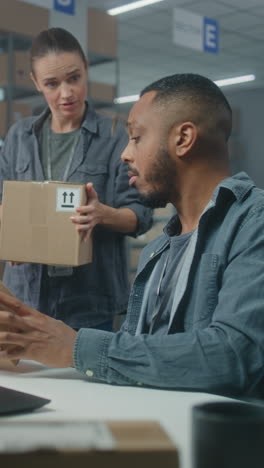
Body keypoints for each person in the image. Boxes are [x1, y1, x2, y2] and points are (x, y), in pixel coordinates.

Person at [0, 73, 264, 399]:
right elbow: (135, 358)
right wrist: (38, 339)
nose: (125, 153)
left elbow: (237, 356)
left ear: (183, 138)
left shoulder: (253, 224)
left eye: (136, 137)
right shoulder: (158, 251)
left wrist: (74, 347)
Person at [0, 28, 153, 331]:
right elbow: (5, 204)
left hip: (89, 300)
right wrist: (11, 237)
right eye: (52, 84)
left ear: (86, 68)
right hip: (25, 294)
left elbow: (140, 216)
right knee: (21, 379)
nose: (66, 93)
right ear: (35, 83)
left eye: (74, 78)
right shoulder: (19, 136)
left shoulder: (114, 135)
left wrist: (102, 214)